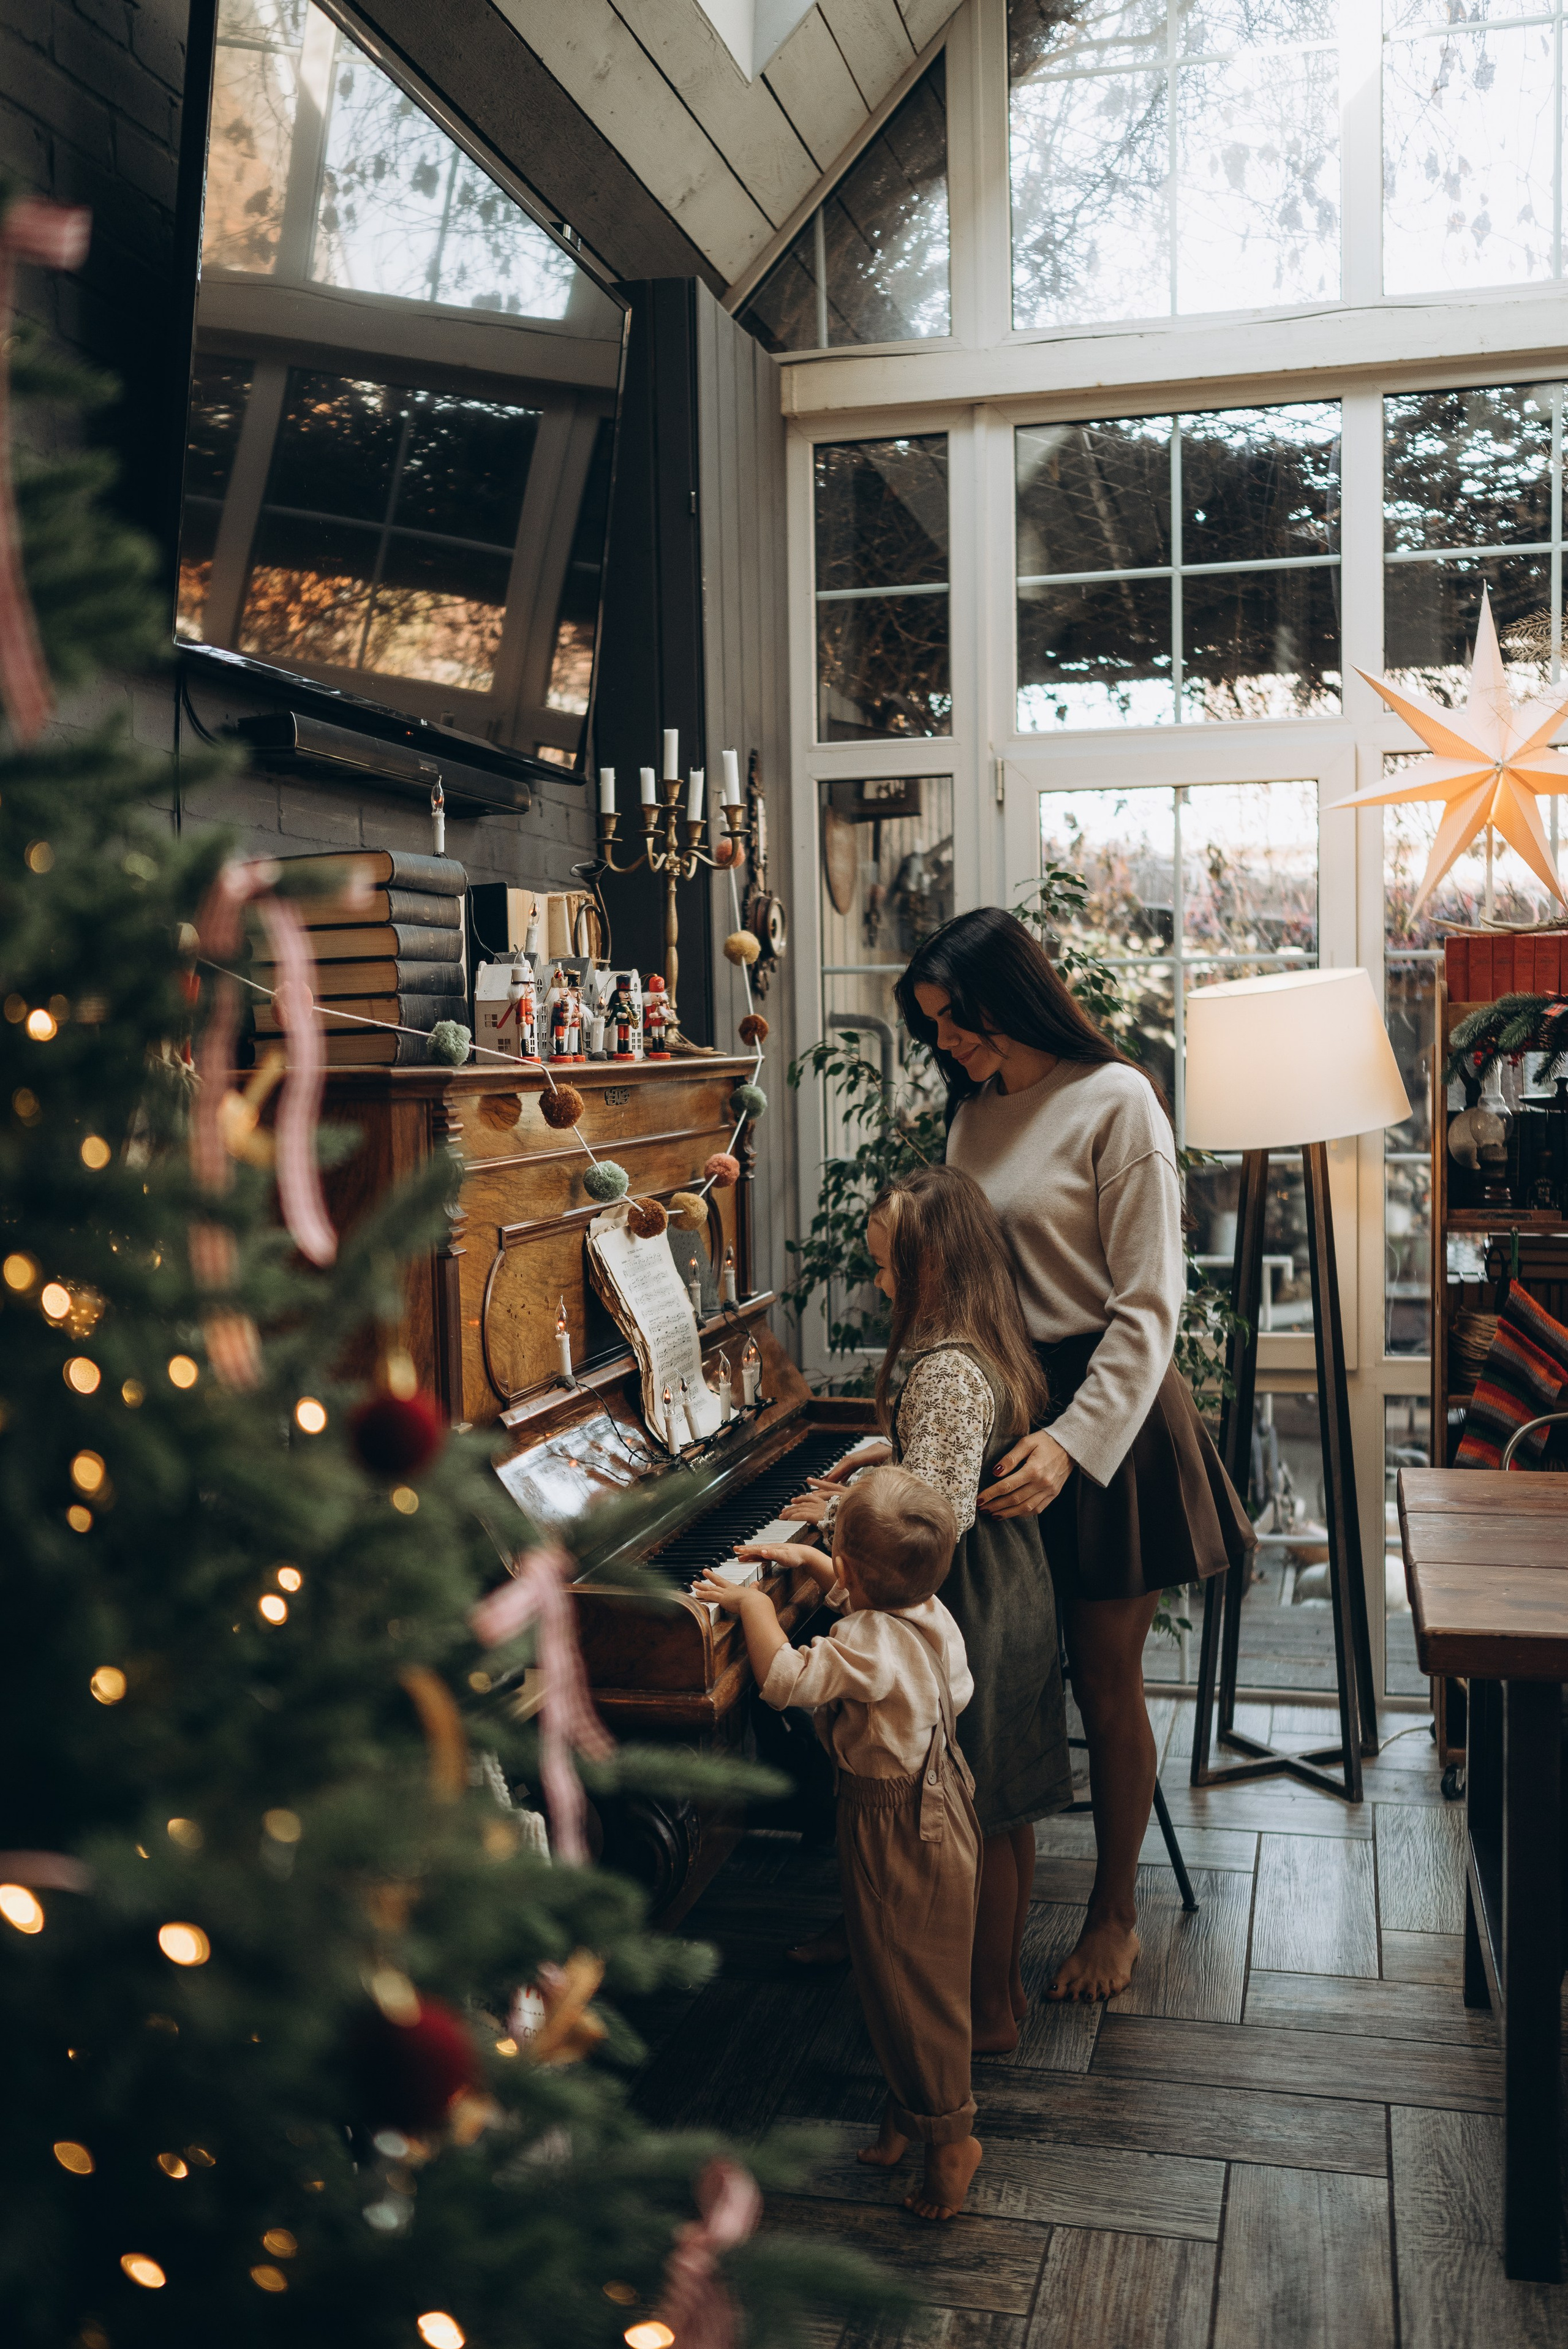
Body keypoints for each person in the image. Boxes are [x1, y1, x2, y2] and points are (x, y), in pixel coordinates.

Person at [895, 906, 1255, 2005]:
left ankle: (1113, 1916)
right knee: (980, 1678)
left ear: (1013, 996)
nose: (947, 1045)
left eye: (957, 1021)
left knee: (1105, 1682)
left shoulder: (1118, 1102)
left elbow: (1150, 1306)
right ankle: (935, 1916)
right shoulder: (970, 1118)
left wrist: (1070, 1444)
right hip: (1006, 1408)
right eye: (934, 1030)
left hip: (1113, 1421)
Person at [775, 1166, 1072, 2054]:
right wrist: (883, 1450)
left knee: (968, 1814)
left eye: (890, 1265)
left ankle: (979, 2009)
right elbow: (948, 1454)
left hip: (970, 1592)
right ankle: (996, 1995)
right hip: (1015, 1583)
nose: (881, 1283)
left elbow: (933, 1513)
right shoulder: (987, 1337)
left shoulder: (943, 1366)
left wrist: (832, 1516)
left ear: (935, 1261)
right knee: (1004, 1804)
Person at [694, 1468, 983, 2221]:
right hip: (944, 1799)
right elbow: (919, 1671)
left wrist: (756, 1603)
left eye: (832, 1551)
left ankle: (950, 2135)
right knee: (898, 1973)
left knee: (911, 1983)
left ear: (855, 1572)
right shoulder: (930, 1615)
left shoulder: (863, 1639)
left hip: (890, 1819)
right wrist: (825, 1571)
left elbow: (786, 1679)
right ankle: (906, 2109)